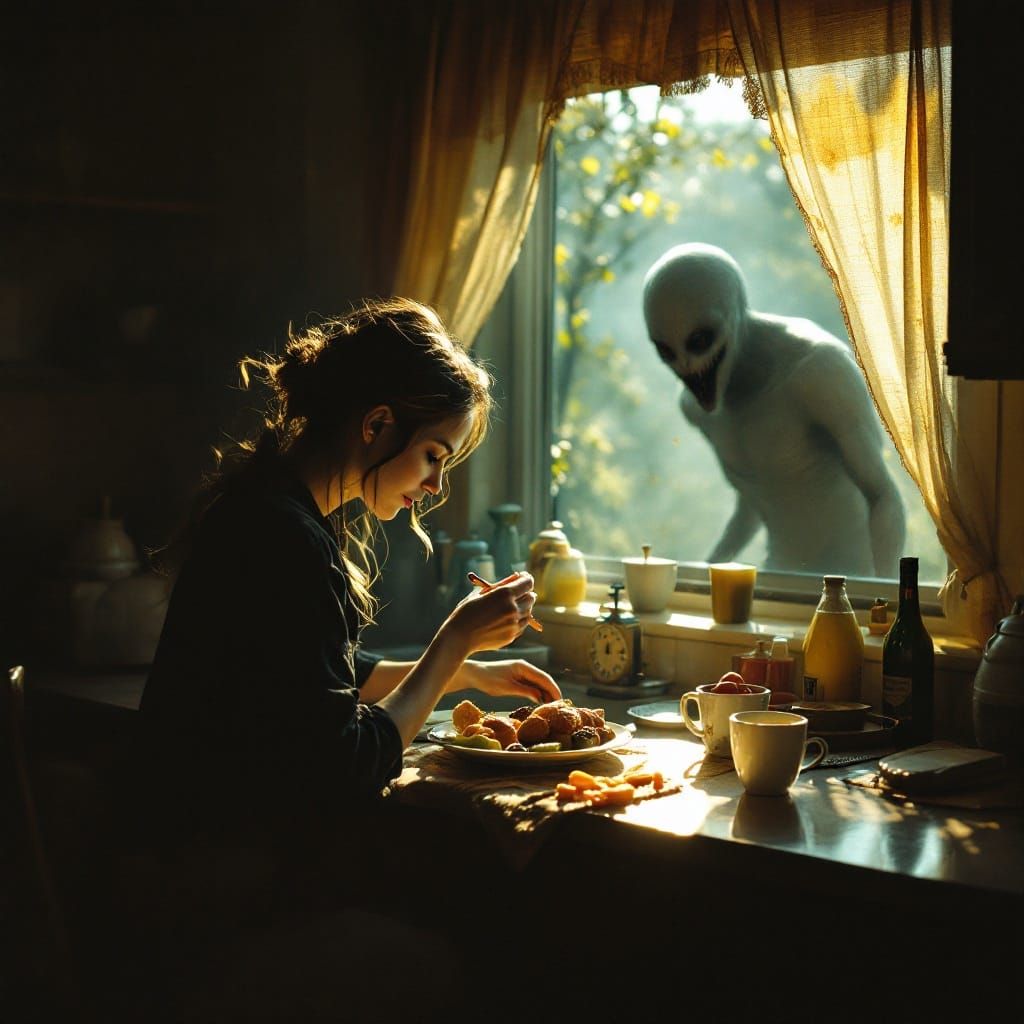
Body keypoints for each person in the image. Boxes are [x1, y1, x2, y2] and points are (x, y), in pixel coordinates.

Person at [136, 296, 560, 843]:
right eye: (434, 454)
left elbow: (313, 679)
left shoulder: (270, 507)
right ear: (378, 423)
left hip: (190, 844)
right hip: (209, 868)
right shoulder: (283, 537)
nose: (436, 486)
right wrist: (454, 641)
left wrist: (465, 674)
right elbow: (344, 763)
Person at [642, 242, 905, 578]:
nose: (686, 365)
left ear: (735, 309)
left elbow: (884, 498)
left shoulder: (816, 368)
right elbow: (759, 494)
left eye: (699, 341)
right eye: (667, 351)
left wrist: (879, 605)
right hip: (781, 585)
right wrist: (703, 575)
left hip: (849, 594)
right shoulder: (694, 408)